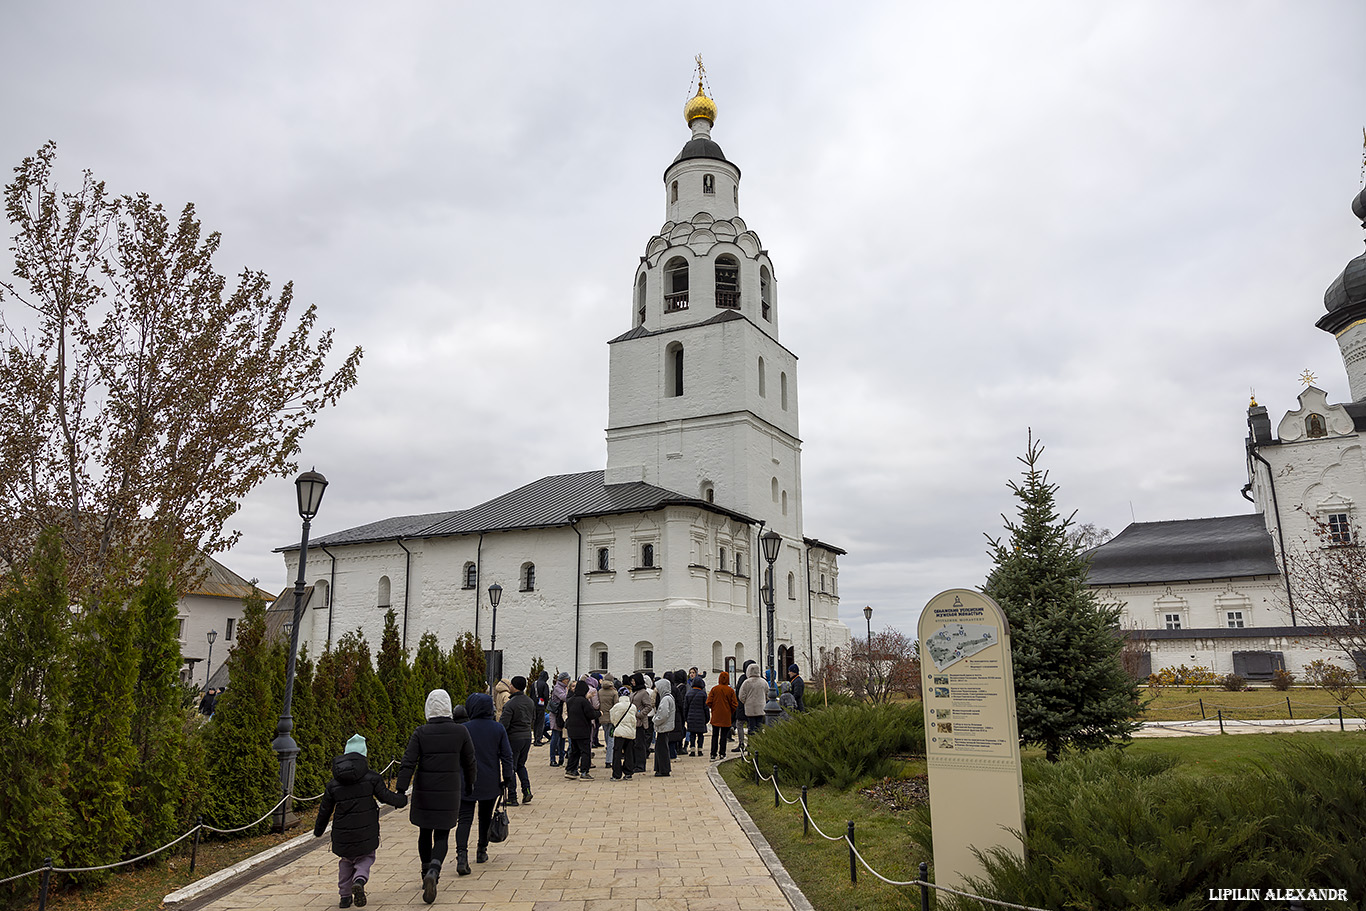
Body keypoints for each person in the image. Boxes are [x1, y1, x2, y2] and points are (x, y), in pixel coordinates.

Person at [397, 689, 478, 905]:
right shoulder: (460, 732)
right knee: (442, 835)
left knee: (424, 832)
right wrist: (470, 785)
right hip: (450, 791)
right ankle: (434, 869)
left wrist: (400, 789)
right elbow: (470, 761)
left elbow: (408, 762)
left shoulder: (420, 732)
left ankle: (425, 872)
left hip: (424, 790)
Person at [314, 734, 406, 908]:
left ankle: (344, 897)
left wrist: (319, 830)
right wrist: (401, 800)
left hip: (342, 833)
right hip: (366, 831)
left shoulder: (333, 784)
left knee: (346, 861)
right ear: (364, 755)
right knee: (366, 857)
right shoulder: (372, 777)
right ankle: (359, 880)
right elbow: (385, 797)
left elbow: (325, 809)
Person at [457, 693, 514, 876]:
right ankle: (481, 850)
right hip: (490, 780)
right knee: (485, 817)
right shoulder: (497, 728)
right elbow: (506, 755)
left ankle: (462, 856)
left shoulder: (463, 728)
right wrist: (508, 777)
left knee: (464, 819)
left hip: (466, 780)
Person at [498, 675, 536, 806]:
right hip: (526, 736)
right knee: (521, 765)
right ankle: (526, 790)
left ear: (513, 687)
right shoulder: (530, 701)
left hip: (514, 738)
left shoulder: (510, 704)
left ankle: (512, 796)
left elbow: (503, 724)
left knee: (511, 767)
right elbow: (533, 718)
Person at [563, 679, 600, 779]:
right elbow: (591, 714)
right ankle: (584, 771)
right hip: (583, 730)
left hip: (572, 729)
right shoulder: (584, 702)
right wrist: (599, 714)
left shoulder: (570, 700)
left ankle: (570, 770)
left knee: (574, 751)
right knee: (585, 751)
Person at [705, 670, 739, 760]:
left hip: (716, 715)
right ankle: (722, 753)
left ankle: (713, 754)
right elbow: (735, 704)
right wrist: (730, 711)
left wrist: (714, 708)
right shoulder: (730, 690)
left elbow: (708, 702)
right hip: (726, 716)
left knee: (715, 735)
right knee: (723, 736)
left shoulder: (714, 689)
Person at [608, 683, 637, 780]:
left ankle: (616, 774)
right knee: (629, 753)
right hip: (630, 732)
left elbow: (612, 719)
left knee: (617, 753)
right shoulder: (633, 706)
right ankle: (628, 773)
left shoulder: (617, 706)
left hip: (619, 731)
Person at [629, 673, 654, 774]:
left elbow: (648, 706)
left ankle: (640, 765)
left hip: (640, 722)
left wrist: (640, 713)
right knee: (633, 744)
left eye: (634, 680)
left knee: (640, 744)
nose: (632, 682)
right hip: (632, 721)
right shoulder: (633, 691)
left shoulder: (643, 693)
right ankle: (634, 763)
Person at [737, 661, 767, 741]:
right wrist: (763, 700)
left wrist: (746, 702)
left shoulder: (747, 682)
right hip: (761, 708)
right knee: (759, 726)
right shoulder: (763, 682)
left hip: (750, 708)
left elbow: (741, 696)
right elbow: (768, 694)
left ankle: (752, 744)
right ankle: (760, 743)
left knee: (751, 727)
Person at [651, 676, 675, 776]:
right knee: (661, 748)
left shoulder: (665, 699)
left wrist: (655, 720)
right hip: (665, 727)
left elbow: (663, 714)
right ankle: (661, 768)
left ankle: (663, 769)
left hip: (663, 727)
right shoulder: (669, 697)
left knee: (662, 749)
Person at [547, 672, 570, 766]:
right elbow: (564, 697)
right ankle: (552, 759)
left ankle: (561, 758)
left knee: (562, 738)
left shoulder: (564, 688)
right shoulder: (558, 688)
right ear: (563, 680)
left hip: (562, 715)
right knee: (555, 737)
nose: (568, 681)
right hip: (556, 715)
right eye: (567, 679)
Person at [684, 676, 709, 757]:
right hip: (701, 718)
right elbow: (706, 707)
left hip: (691, 717)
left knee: (692, 735)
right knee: (700, 735)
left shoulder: (688, 693)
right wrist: (707, 718)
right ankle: (700, 750)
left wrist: (686, 718)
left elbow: (685, 707)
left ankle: (692, 749)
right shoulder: (703, 694)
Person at [597, 673, 619, 766]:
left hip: (602, 717)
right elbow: (616, 705)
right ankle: (609, 760)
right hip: (611, 718)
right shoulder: (614, 692)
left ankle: (609, 754)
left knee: (606, 736)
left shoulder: (600, 692)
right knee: (611, 739)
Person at [670, 669, 687, 760]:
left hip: (672, 711)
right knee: (680, 729)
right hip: (679, 712)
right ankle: (679, 747)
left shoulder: (673, 687)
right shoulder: (683, 687)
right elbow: (682, 700)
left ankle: (675, 747)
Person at [532, 670, 551, 746]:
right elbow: (546, 696)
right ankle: (538, 739)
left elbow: (530, 694)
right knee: (540, 723)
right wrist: (545, 705)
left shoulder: (534, 683)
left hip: (534, 705)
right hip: (541, 706)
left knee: (535, 722)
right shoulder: (544, 685)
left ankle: (535, 738)